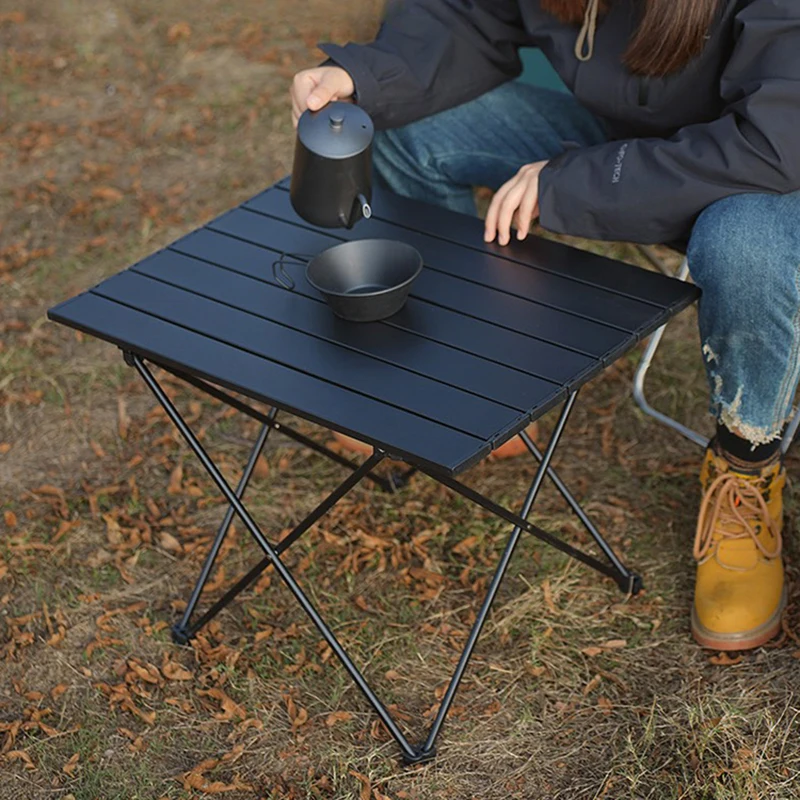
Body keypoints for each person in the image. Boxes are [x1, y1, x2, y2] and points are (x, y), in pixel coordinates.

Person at [289, 0, 800, 651]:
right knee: (402, 129)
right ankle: (482, 384)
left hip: (766, 174)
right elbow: (465, 12)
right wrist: (364, 75)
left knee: (743, 247)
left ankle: (747, 471)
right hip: (626, 137)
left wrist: (571, 183)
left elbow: (775, 141)